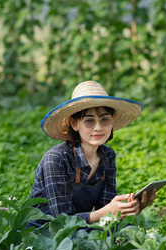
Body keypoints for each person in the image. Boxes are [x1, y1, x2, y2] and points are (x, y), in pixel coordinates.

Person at [26, 80, 156, 229]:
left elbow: (106, 215)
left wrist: (131, 209)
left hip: (81, 228)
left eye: (105, 119)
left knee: (128, 233)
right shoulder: (56, 158)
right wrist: (107, 212)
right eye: (89, 121)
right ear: (75, 124)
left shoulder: (107, 156)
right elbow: (61, 221)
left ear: (112, 121)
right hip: (45, 232)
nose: (98, 127)